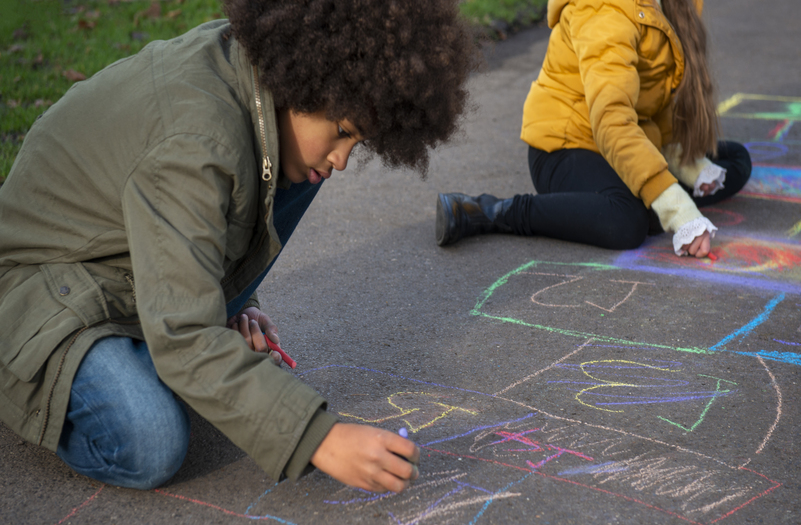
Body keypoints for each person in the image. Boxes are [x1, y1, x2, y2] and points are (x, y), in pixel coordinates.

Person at [0, 0, 476, 492]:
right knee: (151, 439)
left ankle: (163, 345)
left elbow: (204, 224)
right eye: (343, 134)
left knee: (304, 174)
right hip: (36, 289)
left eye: (358, 143)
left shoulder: (260, 94)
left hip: (116, 270)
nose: (343, 160)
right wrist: (319, 438)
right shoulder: (197, 142)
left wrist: (238, 301)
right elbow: (184, 334)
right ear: (304, 82)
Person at [436, 0, 752, 257]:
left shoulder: (669, 3)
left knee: (735, 161)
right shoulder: (603, 9)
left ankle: (646, 199)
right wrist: (679, 211)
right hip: (567, 147)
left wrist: (683, 159)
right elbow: (611, 121)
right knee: (626, 224)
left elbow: (658, 95)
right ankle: (494, 211)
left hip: (629, 144)